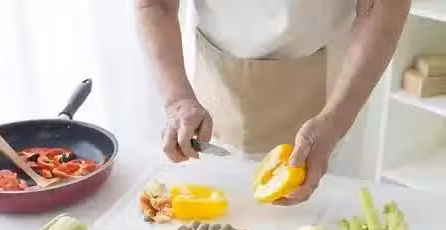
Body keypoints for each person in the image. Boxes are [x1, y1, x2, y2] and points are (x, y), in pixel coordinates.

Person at [136, 0, 410, 205]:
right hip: (213, 91)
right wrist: (178, 101)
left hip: (335, 96)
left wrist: (336, 121)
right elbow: (155, 4)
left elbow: (381, 7)